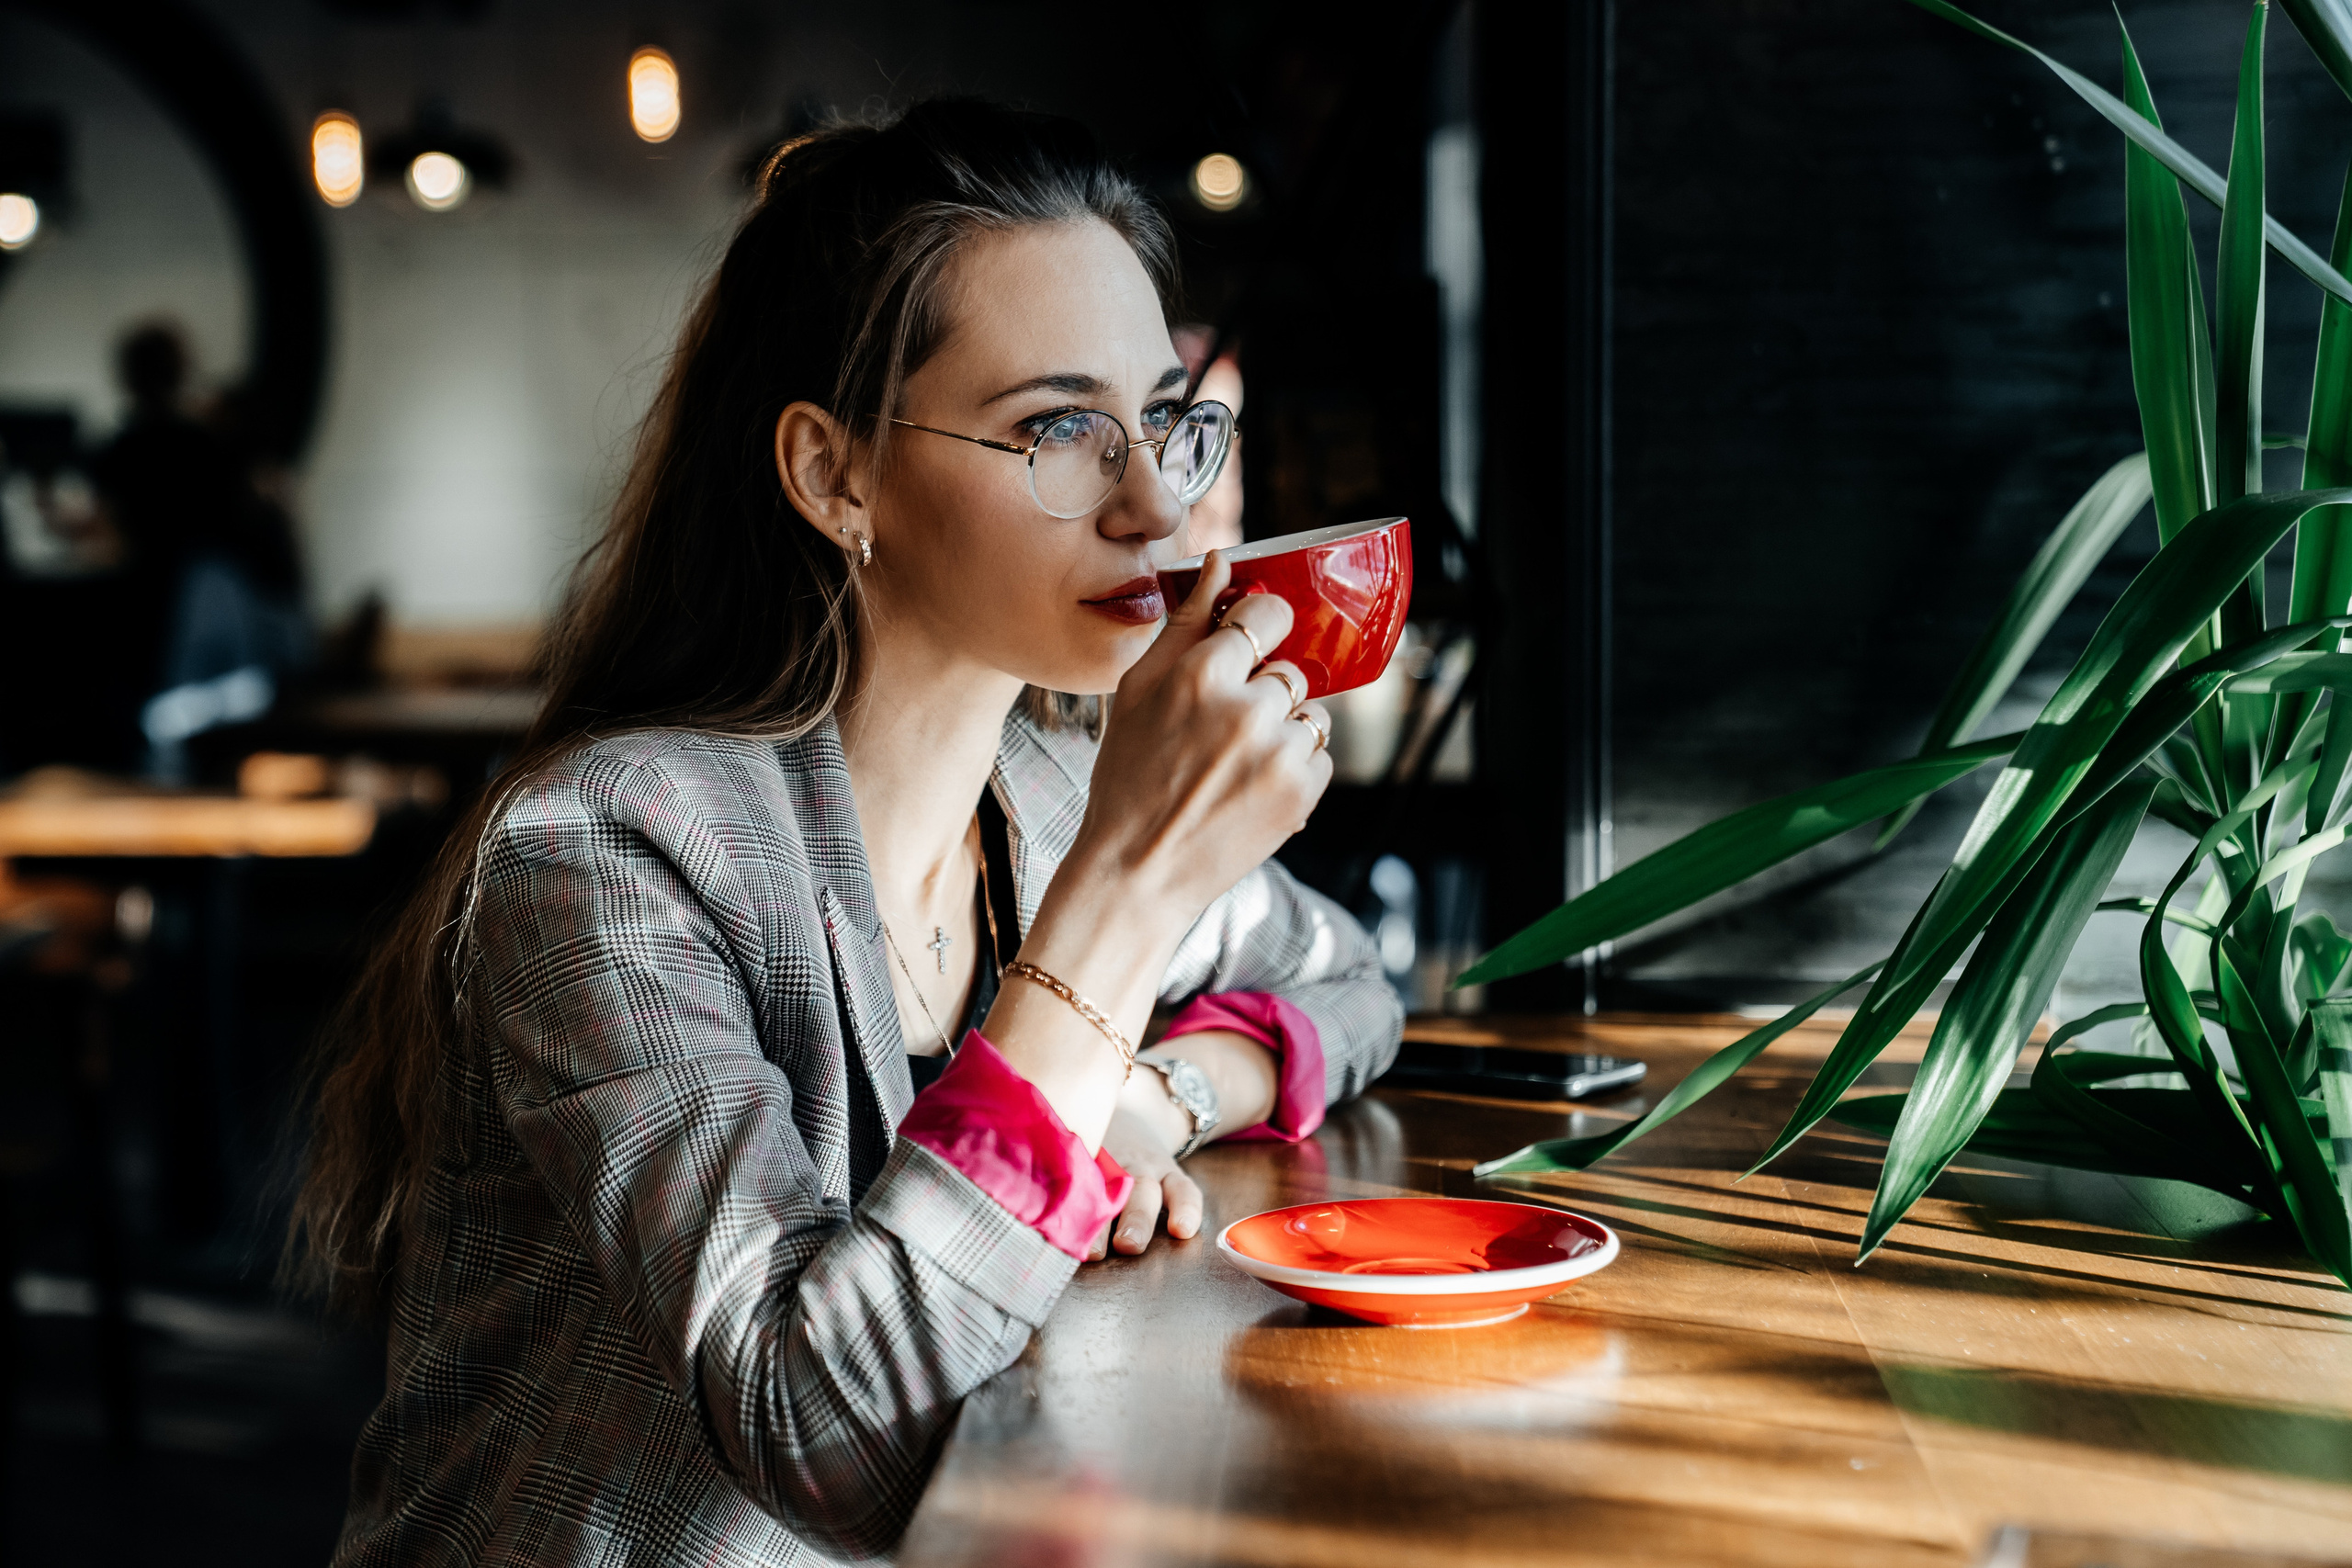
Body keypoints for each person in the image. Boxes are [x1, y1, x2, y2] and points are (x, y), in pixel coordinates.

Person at [291, 100, 1401, 1567]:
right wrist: (1128, 898)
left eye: (1167, 421)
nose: (1155, 505)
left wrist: (1141, 1101)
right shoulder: (610, 860)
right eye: (1060, 429)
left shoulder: (1047, 796)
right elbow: (827, 1431)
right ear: (835, 475)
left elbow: (1352, 983)